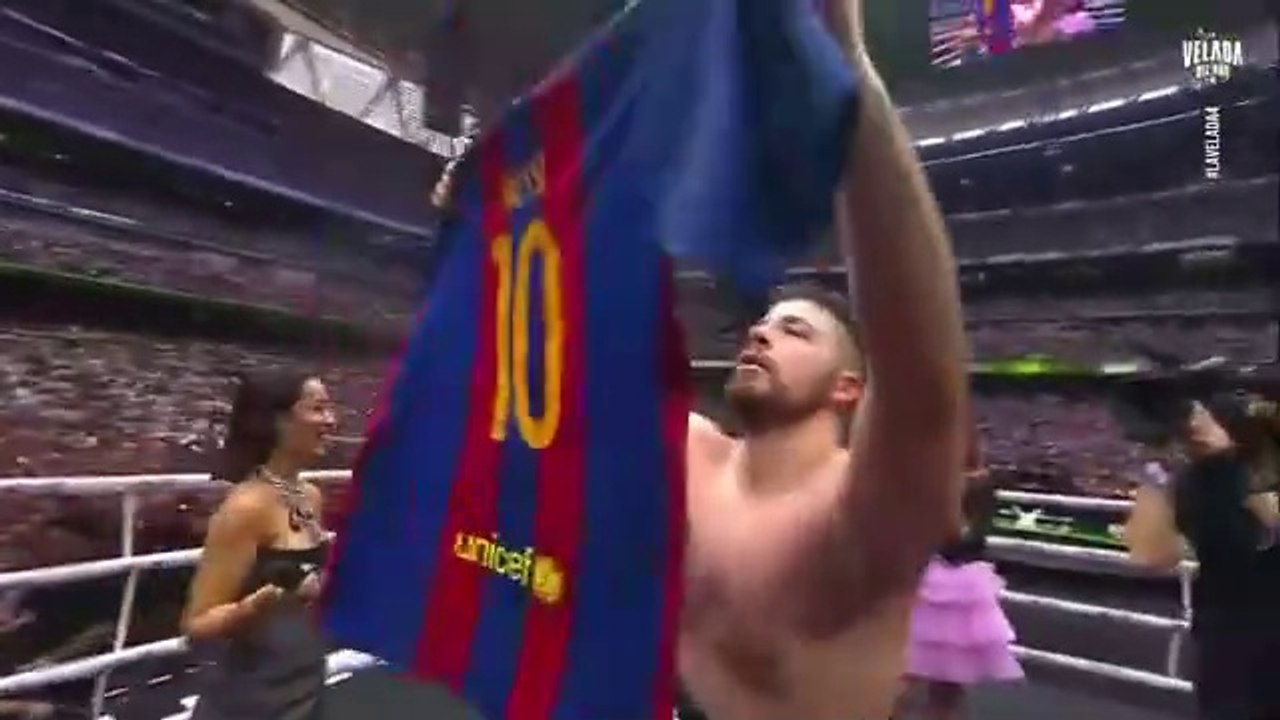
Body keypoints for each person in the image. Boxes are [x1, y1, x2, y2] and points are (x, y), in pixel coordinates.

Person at [428, 1, 967, 715]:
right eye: (764, 325)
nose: (762, 336)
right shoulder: (690, 454)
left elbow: (923, 382)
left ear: (848, 388)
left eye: (797, 332)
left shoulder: (863, 510)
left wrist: (848, 71)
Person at [181, 370, 337, 720]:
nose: (331, 420)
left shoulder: (310, 496)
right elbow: (197, 624)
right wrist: (257, 604)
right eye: (318, 409)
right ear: (279, 421)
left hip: (306, 683)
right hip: (251, 701)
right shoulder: (245, 509)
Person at [1123, 400, 1280, 720]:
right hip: (1227, 654)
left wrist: (1227, 464)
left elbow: (1271, 524)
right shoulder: (1202, 475)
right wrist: (1155, 462)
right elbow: (1152, 554)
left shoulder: (1226, 469)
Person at [896, 433, 1022, 720]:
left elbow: (950, 531)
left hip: (936, 578)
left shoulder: (944, 484)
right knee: (947, 687)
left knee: (905, 677)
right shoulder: (981, 484)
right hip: (967, 581)